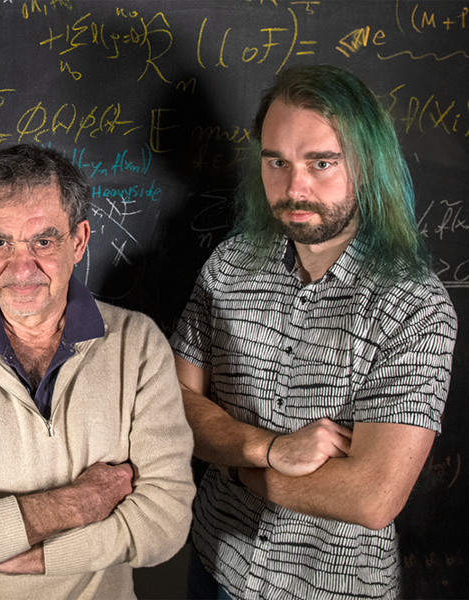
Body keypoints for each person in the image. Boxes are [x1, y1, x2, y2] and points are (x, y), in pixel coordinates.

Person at [170, 64, 457, 599]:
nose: (294, 186)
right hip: (215, 562)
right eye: (277, 161)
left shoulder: (415, 307)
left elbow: (372, 497)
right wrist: (271, 449)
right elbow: (172, 403)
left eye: (321, 163)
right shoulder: (230, 264)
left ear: (366, 165)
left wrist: (241, 471)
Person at [0, 143, 195, 599]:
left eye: (43, 241)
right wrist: (77, 504)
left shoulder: (137, 345)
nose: (21, 268)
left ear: (79, 241)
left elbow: (165, 520)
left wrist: (21, 550)